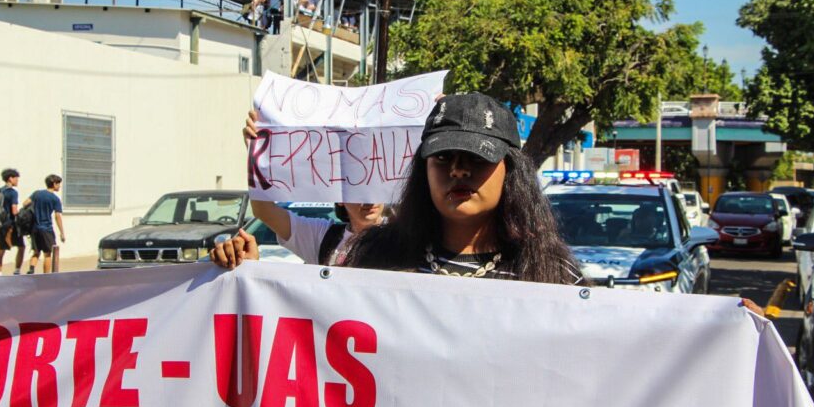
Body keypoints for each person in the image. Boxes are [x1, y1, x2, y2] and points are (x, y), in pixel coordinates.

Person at [213, 94, 584, 284]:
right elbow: (320, 335)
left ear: (511, 170)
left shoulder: (554, 273)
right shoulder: (371, 258)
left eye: (477, 158)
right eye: (442, 158)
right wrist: (252, 280)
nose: (457, 170)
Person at [210, 110, 384, 269]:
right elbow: (264, 210)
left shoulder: (404, 238)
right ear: (339, 195)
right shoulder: (323, 236)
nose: (369, 199)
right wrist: (256, 155)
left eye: (376, 186)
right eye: (358, 189)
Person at [23, 174, 65, 274]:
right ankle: (46, 277)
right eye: (58, 184)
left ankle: (31, 269)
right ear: (54, 184)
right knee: (47, 254)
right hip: (46, 229)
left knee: (36, 252)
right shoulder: (55, 199)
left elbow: (25, 203)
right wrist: (62, 232)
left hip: (35, 228)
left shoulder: (37, 194)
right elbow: (57, 216)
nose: (59, 186)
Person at [0, 168, 25, 275]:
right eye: (16, 178)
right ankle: (17, 270)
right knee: (21, 246)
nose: (17, 181)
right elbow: (14, 211)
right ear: (10, 178)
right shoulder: (13, 193)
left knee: (1, 249)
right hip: (10, 225)